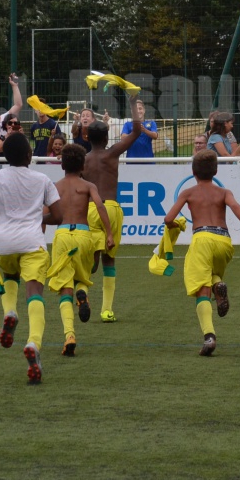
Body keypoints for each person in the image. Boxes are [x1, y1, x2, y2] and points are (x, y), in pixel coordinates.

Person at [0, 133, 60, 384]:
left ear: (5, 156)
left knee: (8, 276)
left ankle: (9, 311)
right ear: (29, 155)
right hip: (32, 244)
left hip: (4, 244)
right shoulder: (42, 179)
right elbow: (59, 215)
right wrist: (41, 219)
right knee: (35, 295)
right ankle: (33, 343)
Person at [162, 149, 240, 356]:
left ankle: (209, 336)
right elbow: (236, 208)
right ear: (215, 171)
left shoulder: (188, 192)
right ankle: (218, 285)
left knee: (200, 289)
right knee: (213, 274)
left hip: (202, 238)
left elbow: (168, 219)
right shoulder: (224, 193)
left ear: (193, 172)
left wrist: (175, 225)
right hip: (224, 241)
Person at [46, 143, 113, 357]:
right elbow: (100, 206)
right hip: (84, 234)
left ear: (62, 165)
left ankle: (69, 335)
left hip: (63, 235)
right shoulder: (88, 186)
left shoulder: (55, 187)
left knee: (64, 288)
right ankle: (82, 292)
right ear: (83, 164)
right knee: (84, 275)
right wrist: (109, 234)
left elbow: (44, 213)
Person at [82, 90, 142, 322]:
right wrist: (133, 101)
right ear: (107, 138)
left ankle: (83, 292)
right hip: (111, 209)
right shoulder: (112, 153)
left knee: (89, 261)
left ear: (86, 137)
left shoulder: (83, 159)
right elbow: (136, 130)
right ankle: (106, 310)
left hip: (89, 209)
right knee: (110, 260)